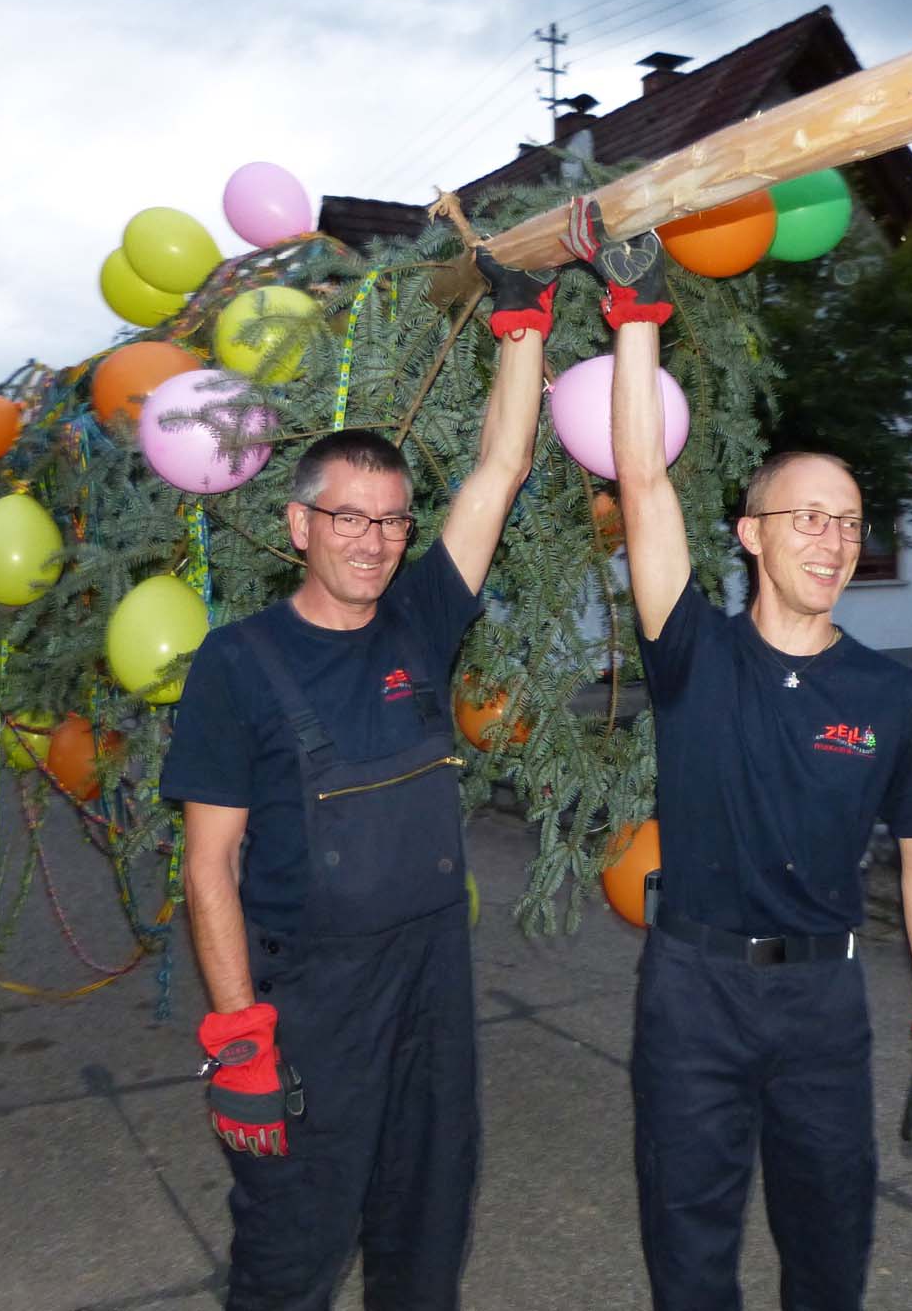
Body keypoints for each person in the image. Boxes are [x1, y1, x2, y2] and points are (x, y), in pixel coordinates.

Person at [161, 254, 551, 1311]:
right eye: (347, 518)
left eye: (388, 521)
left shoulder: (422, 620)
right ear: (299, 527)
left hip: (431, 978)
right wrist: (237, 1034)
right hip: (309, 1001)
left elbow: (498, 470)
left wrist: (520, 322)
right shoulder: (237, 664)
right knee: (291, 1250)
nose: (374, 542)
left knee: (425, 1233)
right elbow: (208, 864)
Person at [597, 227, 912, 1311]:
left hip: (822, 1000)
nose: (832, 539)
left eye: (849, 523)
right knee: (688, 1249)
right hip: (691, 993)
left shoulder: (891, 696)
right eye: (806, 517)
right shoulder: (692, 654)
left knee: (828, 1250)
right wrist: (635, 317)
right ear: (749, 535)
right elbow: (639, 476)